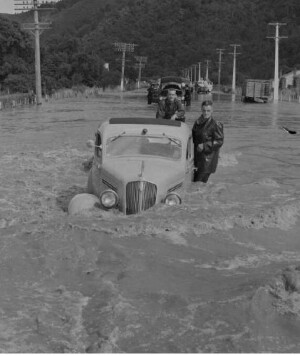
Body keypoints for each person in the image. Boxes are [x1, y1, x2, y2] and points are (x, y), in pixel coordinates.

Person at [192, 100, 224, 183]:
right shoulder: (197, 122)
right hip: (197, 158)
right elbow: (193, 138)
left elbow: (219, 141)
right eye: (204, 110)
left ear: (212, 111)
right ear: (201, 110)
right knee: (195, 183)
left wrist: (205, 145)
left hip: (208, 160)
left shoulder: (216, 124)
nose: (206, 113)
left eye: (208, 111)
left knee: (198, 183)